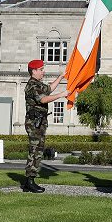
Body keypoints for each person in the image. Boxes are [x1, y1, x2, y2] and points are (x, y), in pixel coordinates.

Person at [23, 58, 67, 193]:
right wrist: (62, 94)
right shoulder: (32, 85)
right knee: (35, 151)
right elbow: (43, 99)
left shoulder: (38, 84)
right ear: (34, 71)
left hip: (39, 123)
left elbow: (48, 89)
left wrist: (61, 77)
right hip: (34, 123)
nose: (43, 71)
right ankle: (30, 181)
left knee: (37, 150)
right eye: (41, 69)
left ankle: (29, 182)